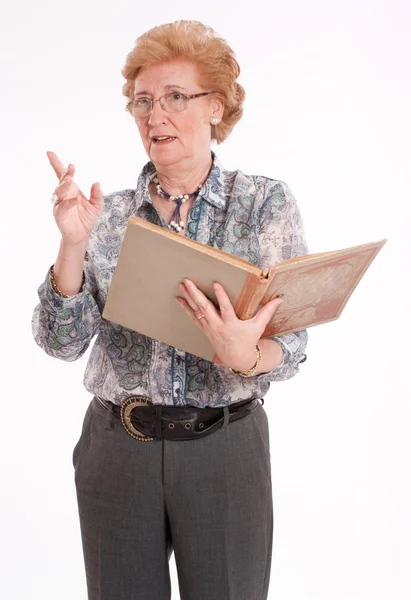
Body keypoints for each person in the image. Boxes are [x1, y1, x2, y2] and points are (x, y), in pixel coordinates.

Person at [31, 20, 308, 600]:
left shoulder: (262, 203)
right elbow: (60, 344)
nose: (155, 115)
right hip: (117, 452)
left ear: (217, 107)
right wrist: (72, 244)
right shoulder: (107, 214)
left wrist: (249, 355)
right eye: (142, 101)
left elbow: (295, 346)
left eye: (175, 97)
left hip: (225, 453)